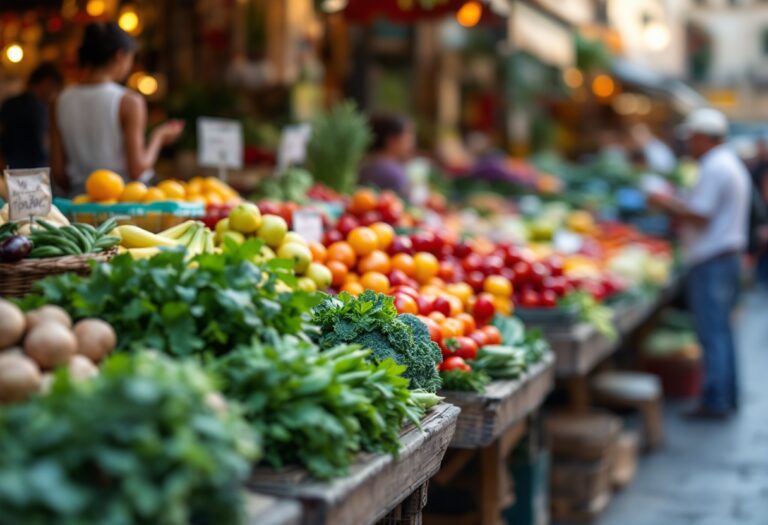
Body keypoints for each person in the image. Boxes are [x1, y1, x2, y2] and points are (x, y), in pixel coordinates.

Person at [649, 108, 750, 419]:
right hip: (724, 258)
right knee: (722, 332)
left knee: (713, 333)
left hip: (712, 261)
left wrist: (665, 202)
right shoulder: (729, 163)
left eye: (692, 138)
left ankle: (716, 400)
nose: (689, 144)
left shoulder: (715, 167)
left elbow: (700, 214)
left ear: (705, 138)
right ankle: (725, 396)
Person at [51, 21, 184, 197]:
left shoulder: (59, 100)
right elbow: (137, 169)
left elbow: (59, 173)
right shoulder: (128, 101)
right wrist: (159, 137)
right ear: (120, 56)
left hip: (78, 203)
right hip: (122, 204)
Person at [0, 63, 63, 170]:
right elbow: (44, 144)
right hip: (35, 171)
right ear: (46, 82)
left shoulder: (10, 103)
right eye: (55, 88)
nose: (55, 93)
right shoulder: (41, 108)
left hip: (10, 170)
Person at [359, 114, 414, 199]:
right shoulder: (393, 172)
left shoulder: (365, 164)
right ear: (392, 140)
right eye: (407, 135)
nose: (411, 142)